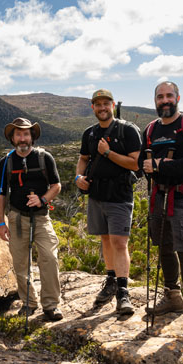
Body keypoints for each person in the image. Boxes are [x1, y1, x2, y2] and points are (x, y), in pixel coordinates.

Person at [141, 81, 183, 342]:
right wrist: (153, 166)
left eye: (169, 95)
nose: (165, 100)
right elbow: (141, 164)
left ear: (178, 97)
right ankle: (173, 297)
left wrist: (160, 165)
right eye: (160, 97)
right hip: (158, 195)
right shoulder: (150, 129)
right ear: (155, 100)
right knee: (164, 247)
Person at [75, 89, 141, 315]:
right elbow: (83, 159)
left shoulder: (128, 130)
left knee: (120, 243)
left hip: (119, 195)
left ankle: (123, 292)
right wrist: (78, 178)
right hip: (97, 195)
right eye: (98, 104)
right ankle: (111, 280)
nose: (102, 108)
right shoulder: (90, 134)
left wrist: (108, 152)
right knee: (105, 238)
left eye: (106, 103)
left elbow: (135, 164)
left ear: (112, 105)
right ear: (93, 107)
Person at [0, 118, 63, 321]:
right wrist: (1, 223)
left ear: (32, 137)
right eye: (18, 134)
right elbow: (0, 194)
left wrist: (42, 199)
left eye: (26, 134)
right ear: (12, 138)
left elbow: (56, 185)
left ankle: (51, 304)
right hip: (16, 217)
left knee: (49, 258)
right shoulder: (6, 162)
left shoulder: (44, 158)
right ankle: (28, 303)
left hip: (41, 217)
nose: (22, 138)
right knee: (20, 263)